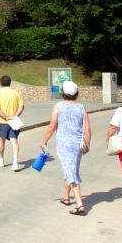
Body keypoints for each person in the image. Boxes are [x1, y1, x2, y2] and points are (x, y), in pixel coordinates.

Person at [40, 81, 91, 215]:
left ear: (63, 93)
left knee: (71, 171)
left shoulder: (59, 106)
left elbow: (52, 126)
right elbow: (87, 128)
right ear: (76, 94)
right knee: (70, 168)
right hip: (78, 144)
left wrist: (44, 141)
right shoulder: (81, 108)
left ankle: (80, 204)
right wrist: (87, 143)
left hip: (64, 144)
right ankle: (66, 197)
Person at [0, 75, 25, 171]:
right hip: (14, 121)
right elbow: (21, 106)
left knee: (1, 140)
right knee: (14, 141)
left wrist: (5, 117)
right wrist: (15, 116)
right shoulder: (16, 93)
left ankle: (1, 160)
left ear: (0, 83)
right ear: (10, 82)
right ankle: (15, 163)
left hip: (3, 121)